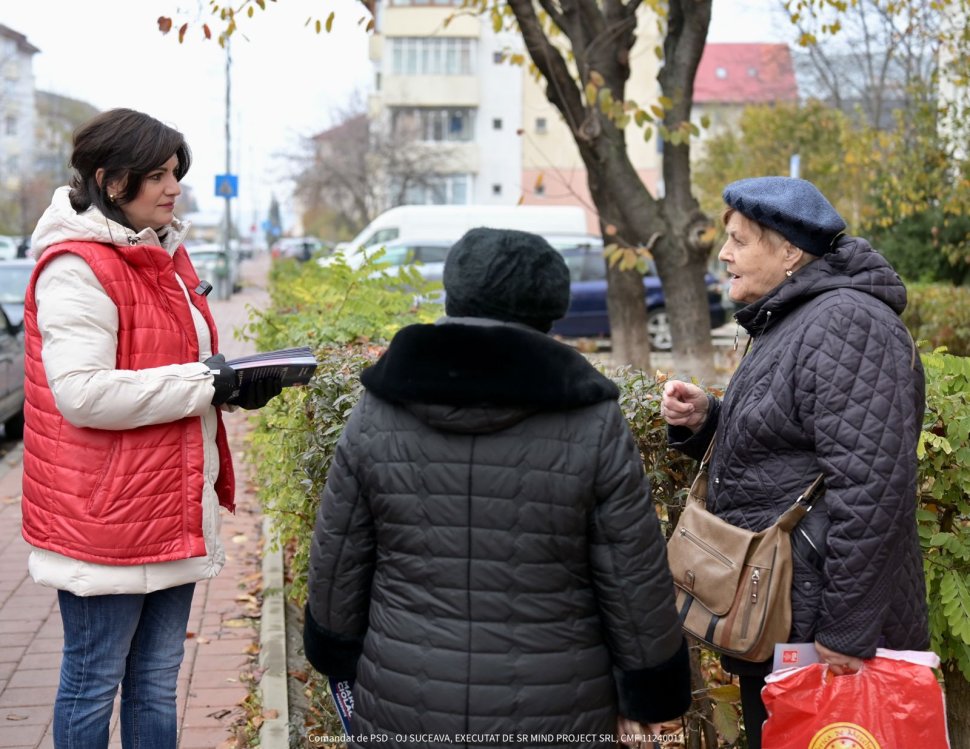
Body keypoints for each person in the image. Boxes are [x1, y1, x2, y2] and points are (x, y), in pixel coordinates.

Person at [303, 227, 692, 746]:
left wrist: (336, 650)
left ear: (453, 292)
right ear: (549, 311)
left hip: (405, 693)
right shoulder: (592, 419)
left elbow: (339, 556)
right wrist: (648, 690)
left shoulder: (380, 408)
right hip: (557, 704)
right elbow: (631, 573)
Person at [20, 108, 282, 749]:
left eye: (175, 174)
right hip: (105, 515)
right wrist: (208, 383)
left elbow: (173, 372)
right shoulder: (76, 267)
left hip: (169, 504)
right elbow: (83, 394)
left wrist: (233, 388)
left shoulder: (162, 257)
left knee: (157, 682)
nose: (174, 188)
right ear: (110, 180)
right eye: (158, 175)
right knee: (93, 681)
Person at [661, 177, 929, 748]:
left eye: (739, 241)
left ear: (789, 251)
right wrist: (707, 419)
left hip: (820, 627)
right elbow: (788, 447)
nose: (724, 254)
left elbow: (874, 490)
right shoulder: (796, 316)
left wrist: (846, 630)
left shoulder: (847, 325)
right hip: (788, 611)